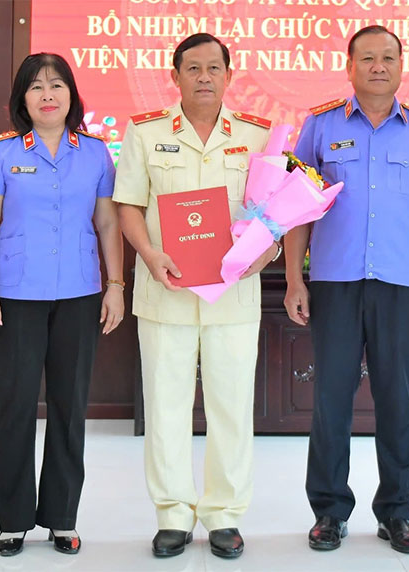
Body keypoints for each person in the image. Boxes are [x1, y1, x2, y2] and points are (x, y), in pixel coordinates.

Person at [283, 25, 409, 555]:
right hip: (335, 281)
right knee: (331, 400)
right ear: (349, 65)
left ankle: (396, 513)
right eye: (367, 58)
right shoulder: (319, 126)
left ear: (402, 66)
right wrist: (294, 278)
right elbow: (297, 208)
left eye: (387, 58)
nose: (378, 67)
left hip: (401, 283)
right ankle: (330, 512)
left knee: (398, 402)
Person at [113, 33, 277, 560]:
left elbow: (273, 213)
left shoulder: (256, 135)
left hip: (232, 296)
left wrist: (266, 254)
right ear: (175, 75)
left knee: (231, 406)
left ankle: (225, 516)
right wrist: (148, 253)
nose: (204, 77)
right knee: (166, 407)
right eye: (193, 68)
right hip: (167, 292)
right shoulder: (145, 133)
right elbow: (129, 206)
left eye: (214, 68)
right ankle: (173, 514)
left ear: (229, 75)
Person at [0, 53, 124, 557]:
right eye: (36, 87)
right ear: (22, 99)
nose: (47, 94)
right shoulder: (0, 154)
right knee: (14, 406)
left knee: (69, 407)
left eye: (56, 85)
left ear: (72, 95)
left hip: (79, 294)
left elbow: (106, 224)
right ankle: (13, 518)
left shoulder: (97, 154)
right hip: (15, 295)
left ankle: (61, 517)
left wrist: (116, 284)